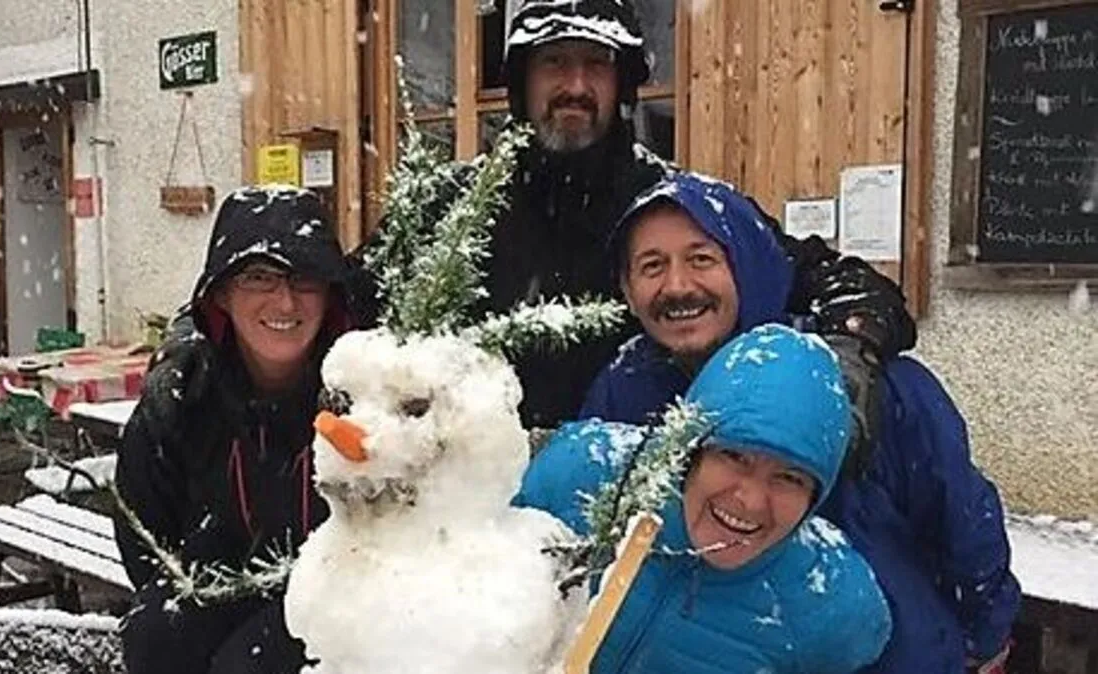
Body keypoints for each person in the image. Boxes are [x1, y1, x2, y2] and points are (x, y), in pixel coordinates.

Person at [346, 0, 917, 433]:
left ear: (622, 85)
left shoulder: (676, 207)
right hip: (474, 520)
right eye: (554, 63)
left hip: (639, 510)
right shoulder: (448, 209)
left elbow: (841, 285)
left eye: (596, 65)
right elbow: (339, 308)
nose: (575, 86)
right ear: (521, 84)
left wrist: (850, 352)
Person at [582, 171, 1020, 673]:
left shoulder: (866, 381)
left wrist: (986, 637)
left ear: (747, 265)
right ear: (628, 289)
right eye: (652, 266)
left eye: (702, 259)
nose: (677, 286)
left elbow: (964, 519)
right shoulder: (625, 386)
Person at [515, 323, 893, 673]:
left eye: (789, 478)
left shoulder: (829, 602)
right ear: (690, 448)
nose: (750, 500)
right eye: (734, 456)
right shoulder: (581, 471)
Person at [114, 186, 351, 674]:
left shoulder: (369, 395)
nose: (285, 301)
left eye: (305, 278)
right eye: (259, 277)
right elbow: (148, 545)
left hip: (341, 602)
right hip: (221, 588)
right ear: (220, 292)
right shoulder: (180, 403)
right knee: (157, 636)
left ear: (331, 293)